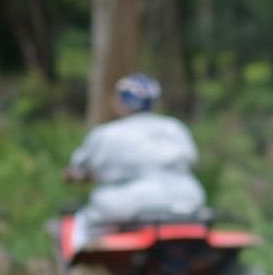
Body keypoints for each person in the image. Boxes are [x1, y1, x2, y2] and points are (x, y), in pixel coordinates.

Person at [65, 74, 206, 253]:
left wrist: (78, 176)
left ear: (122, 101)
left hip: (123, 208)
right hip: (185, 203)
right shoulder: (175, 127)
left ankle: (72, 271)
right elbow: (192, 162)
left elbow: (78, 169)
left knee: (80, 227)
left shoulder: (106, 133)